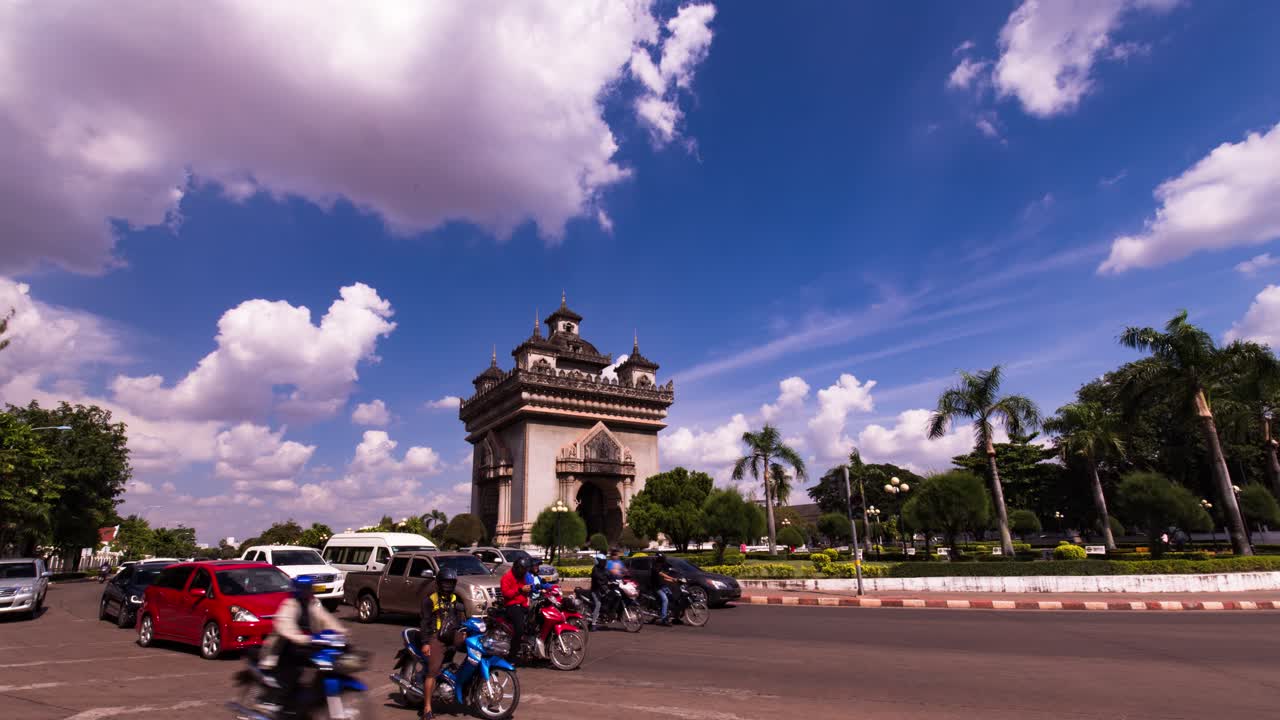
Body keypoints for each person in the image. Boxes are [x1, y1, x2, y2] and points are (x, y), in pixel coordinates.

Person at [262, 575, 345, 717]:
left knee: (324, 670)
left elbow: (326, 619)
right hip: (283, 650)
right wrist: (304, 638)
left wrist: (341, 633)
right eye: (305, 589)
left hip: (304, 648)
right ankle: (274, 706)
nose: (308, 592)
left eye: (309, 589)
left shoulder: (313, 603)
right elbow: (285, 627)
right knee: (293, 674)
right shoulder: (290, 604)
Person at [419, 568, 466, 720]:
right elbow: (424, 623)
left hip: (451, 636)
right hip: (436, 638)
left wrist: (465, 632)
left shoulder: (455, 601)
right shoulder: (430, 600)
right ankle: (427, 708)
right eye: (445, 582)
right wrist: (425, 643)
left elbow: (461, 621)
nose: (448, 585)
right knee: (432, 672)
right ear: (439, 583)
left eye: (451, 583)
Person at [499, 557, 533, 659]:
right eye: (523, 570)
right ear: (518, 568)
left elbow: (527, 587)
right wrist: (520, 590)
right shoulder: (506, 577)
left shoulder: (521, 576)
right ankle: (512, 655)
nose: (524, 572)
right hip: (512, 605)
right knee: (519, 629)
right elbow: (506, 594)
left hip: (523, 604)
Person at [650, 554, 678, 626]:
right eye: (662, 558)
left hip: (663, 586)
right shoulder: (654, 567)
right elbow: (662, 575)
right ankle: (663, 619)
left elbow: (664, 578)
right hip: (657, 588)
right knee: (665, 600)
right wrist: (672, 578)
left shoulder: (660, 566)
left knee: (672, 597)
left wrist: (674, 580)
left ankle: (674, 616)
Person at [588, 552, 609, 630]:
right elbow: (598, 580)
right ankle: (593, 623)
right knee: (598, 604)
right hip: (595, 590)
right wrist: (604, 587)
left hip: (603, 589)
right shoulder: (595, 569)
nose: (603, 563)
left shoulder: (604, 569)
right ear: (597, 561)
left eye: (604, 561)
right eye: (602, 561)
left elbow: (609, 575)